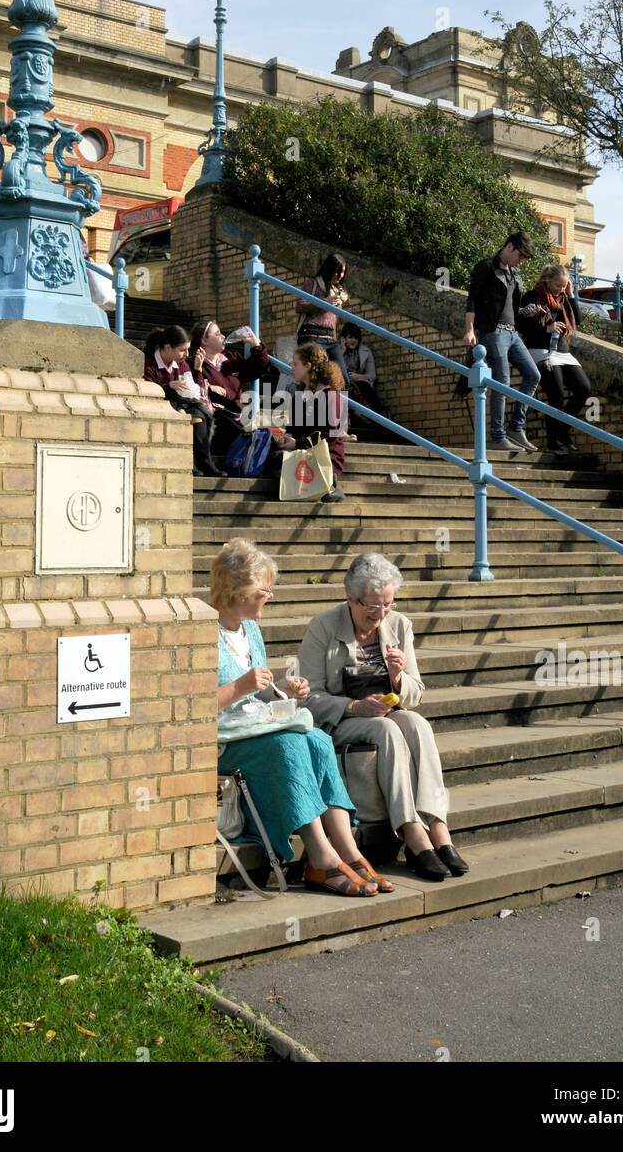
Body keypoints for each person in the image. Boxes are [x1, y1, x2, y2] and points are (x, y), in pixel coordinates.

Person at [213, 538, 393, 896]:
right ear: (240, 592)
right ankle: (320, 858)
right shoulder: (203, 632)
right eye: (265, 590)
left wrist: (281, 689)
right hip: (224, 741)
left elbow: (256, 693)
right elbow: (191, 707)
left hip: (253, 726)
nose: (271, 595)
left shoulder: (250, 629)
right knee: (289, 743)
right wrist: (240, 686)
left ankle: (347, 850)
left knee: (318, 739)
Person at [297, 551, 469, 882]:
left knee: (417, 724)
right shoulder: (322, 627)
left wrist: (398, 677)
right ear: (350, 598)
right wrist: (353, 706)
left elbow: (415, 694)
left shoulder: (399, 624)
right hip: (340, 723)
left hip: (386, 714)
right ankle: (412, 834)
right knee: (386, 730)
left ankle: (438, 828)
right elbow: (309, 698)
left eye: (387, 604)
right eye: (372, 606)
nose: (380, 614)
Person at [462, 228, 541, 452]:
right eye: (520, 256)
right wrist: (470, 330)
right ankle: (497, 437)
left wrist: (527, 311)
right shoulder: (486, 267)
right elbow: (472, 301)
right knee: (502, 381)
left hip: (512, 333)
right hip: (493, 332)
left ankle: (516, 427)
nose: (521, 261)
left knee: (533, 375)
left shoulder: (514, 273)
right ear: (509, 247)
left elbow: (510, 308)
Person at [517, 264, 591, 455]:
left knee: (584, 389)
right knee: (556, 394)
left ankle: (563, 431)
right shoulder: (533, 297)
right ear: (547, 281)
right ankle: (552, 442)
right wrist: (546, 328)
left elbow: (578, 321)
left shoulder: (564, 298)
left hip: (562, 350)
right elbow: (521, 325)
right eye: (557, 285)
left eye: (563, 286)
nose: (560, 289)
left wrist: (571, 295)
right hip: (540, 349)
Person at [143, 324, 224, 477]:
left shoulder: (180, 363)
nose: (187, 354)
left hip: (180, 401)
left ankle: (205, 461)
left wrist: (198, 369)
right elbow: (148, 389)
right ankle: (188, 461)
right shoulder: (149, 362)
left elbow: (195, 387)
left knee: (200, 416)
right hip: (158, 403)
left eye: (188, 349)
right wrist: (169, 385)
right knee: (187, 415)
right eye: (182, 350)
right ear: (167, 347)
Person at [270, 342, 346, 502]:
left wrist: (297, 443)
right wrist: (287, 437)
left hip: (326, 457)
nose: (292, 368)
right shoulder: (299, 395)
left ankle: (329, 482)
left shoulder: (329, 395)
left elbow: (329, 436)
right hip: (303, 451)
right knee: (271, 457)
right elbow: (293, 428)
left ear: (308, 366)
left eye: (295, 364)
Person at [188, 319, 272, 457]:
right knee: (237, 431)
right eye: (217, 333)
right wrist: (206, 384)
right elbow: (193, 390)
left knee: (262, 437)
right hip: (216, 420)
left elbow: (260, 367)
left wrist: (254, 344)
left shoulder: (230, 359)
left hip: (237, 417)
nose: (223, 337)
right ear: (204, 340)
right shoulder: (194, 363)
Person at [295, 252, 349, 379]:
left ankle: (334, 400)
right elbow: (300, 306)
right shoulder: (312, 283)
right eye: (337, 271)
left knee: (343, 380)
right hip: (311, 334)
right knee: (312, 377)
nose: (340, 276)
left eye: (343, 272)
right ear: (329, 269)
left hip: (330, 338)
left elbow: (332, 320)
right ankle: (302, 399)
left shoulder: (338, 292)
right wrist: (325, 302)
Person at [339, 321, 384, 417]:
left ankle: (380, 413)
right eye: (350, 337)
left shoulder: (366, 352)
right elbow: (333, 369)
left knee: (363, 385)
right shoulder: (337, 351)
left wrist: (357, 376)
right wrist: (342, 351)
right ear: (344, 338)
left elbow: (372, 375)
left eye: (356, 338)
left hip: (360, 384)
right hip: (342, 383)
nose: (353, 340)